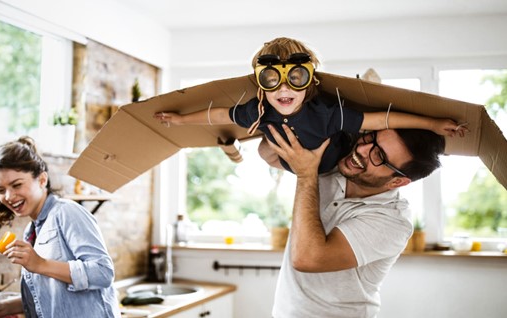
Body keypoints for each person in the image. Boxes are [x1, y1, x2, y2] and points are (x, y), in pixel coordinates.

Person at [154, 37, 467, 173]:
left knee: (273, 146)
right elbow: (220, 113)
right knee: (263, 149)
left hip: (330, 165)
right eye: (273, 79)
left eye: (297, 77)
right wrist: (181, 120)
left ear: (311, 81)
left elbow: (381, 120)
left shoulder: (328, 114)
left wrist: (432, 123)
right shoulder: (260, 109)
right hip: (289, 162)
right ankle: (240, 153)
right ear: (262, 82)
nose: (285, 89)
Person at [264, 123, 446, 317]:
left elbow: (307, 258)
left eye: (379, 156)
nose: (361, 150)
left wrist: (306, 174)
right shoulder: (335, 164)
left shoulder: (393, 222)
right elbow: (269, 154)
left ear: (397, 181)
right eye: (370, 138)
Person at [0, 136, 121, 318]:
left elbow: (103, 272)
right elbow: (51, 295)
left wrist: (40, 264)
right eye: (1, 190)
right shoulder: (32, 231)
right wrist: (4, 308)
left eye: (17, 184)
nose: (9, 196)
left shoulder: (67, 212)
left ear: (42, 180)